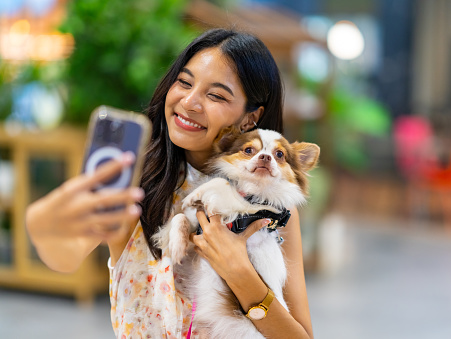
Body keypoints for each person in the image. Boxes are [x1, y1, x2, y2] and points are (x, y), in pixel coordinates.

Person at [26, 28, 313, 338]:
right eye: (184, 82)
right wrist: (43, 224)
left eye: (216, 95)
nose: (189, 102)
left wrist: (243, 279)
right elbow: (64, 256)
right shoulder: (139, 184)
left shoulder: (271, 208)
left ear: (249, 119)